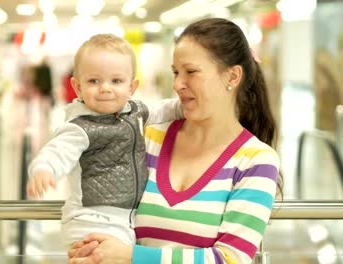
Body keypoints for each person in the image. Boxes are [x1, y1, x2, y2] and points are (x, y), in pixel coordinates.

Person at [68, 17, 282, 264]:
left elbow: (230, 258)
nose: (178, 84)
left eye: (191, 72)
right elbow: (105, 211)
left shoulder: (256, 160)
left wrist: (132, 257)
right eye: (176, 72)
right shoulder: (147, 138)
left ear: (232, 77)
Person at [26, 34, 183, 247]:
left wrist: (186, 106)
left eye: (116, 81)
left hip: (126, 219)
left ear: (132, 87)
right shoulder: (80, 127)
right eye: (94, 81)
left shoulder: (135, 113)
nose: (105, 88)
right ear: (78, 87)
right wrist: (44, 168)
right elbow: (58, 150)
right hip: (92, 221)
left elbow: (164, 109)